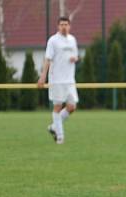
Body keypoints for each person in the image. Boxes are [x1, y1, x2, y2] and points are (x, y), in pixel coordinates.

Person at [38, 16, 79, 145]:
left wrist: (75, 59)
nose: (64, 27)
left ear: (70, 26)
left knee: (72, 107)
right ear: (58, 26)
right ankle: (60, 137)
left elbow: (76, 56)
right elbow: (48, 59)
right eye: (61, 24)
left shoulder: (72, 40)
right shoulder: (53, 41)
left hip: (70, 80)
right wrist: (43, 76)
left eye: (66, 24)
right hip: (57, 80)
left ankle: (53, 126)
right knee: (57, 106)